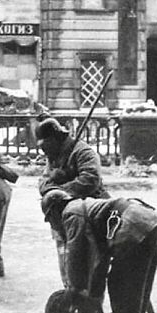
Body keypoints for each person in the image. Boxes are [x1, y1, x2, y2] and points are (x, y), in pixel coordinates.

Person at [43, 189, 157, 313]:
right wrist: (91, 294)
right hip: (151, 224)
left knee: (121, 282)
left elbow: (75, 253)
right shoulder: (87, 208)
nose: (52, 224)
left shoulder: (71, 212)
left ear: (54, 211)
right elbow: (99, 263)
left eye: (50, 220)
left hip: (134, 225)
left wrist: (73, 289)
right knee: (138, 284)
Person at [36, 117, 110, 283]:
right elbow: (42, 183)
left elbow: (91, 179)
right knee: (65, 256)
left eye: (45, 146)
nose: (44, 153)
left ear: (56, 138)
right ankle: (68, 291)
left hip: (89, 211)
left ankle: (86, 297)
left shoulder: (83, 152)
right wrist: (53, 185)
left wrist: (63, 188)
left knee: (88, 260)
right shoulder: (53, 156)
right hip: (62, 215)